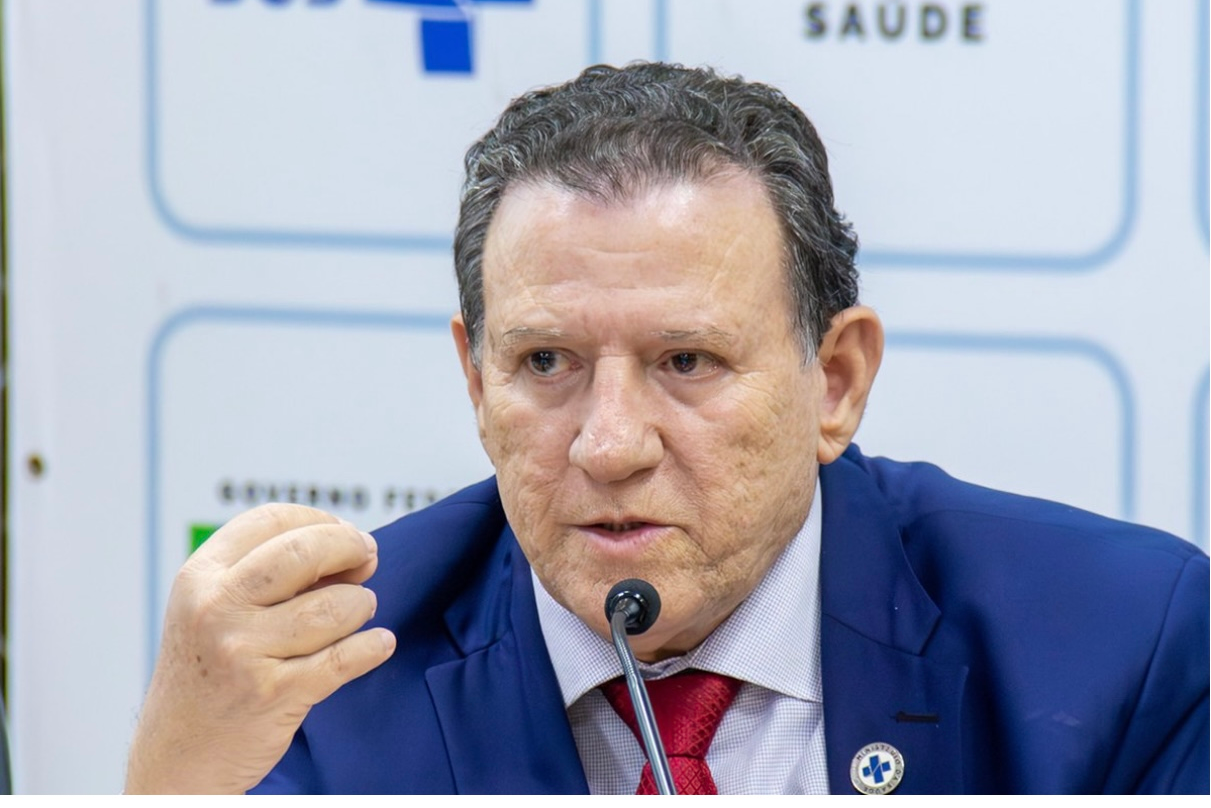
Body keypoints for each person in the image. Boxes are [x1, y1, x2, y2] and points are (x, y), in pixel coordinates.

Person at [124, 62, 1209, 795]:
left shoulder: (1119, 646)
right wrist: (177, 778)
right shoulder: (330, 677)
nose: (608, 446)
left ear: (834, 381)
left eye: (685, 362)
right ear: (475, 380)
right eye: (545, 363)